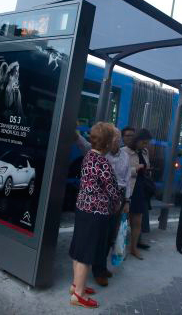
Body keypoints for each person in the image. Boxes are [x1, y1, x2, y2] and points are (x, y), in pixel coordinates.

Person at [69, 122, 121, 309]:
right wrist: (117, 205)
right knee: (86, 254)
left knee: (78, 248)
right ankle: (78, 295)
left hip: (82, 208)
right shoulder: (103, 163)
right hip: (96, 212)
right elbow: (113, 191)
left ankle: (76, 284)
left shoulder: (88, 156)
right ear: (107, 144)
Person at [91, 127, 132, 286]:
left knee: (110, 236)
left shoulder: (125, 156)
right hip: (104, 197)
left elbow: (128, 179)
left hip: (119, 197)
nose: (117, 140)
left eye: (118, 137)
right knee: (101, 234)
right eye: (114, 137)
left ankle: (102, 266)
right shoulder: (102, 155)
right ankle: (97, 269)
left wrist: (127, 201)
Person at [122, 128, 152, 259]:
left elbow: (147, 165)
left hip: (140, 189)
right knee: (122, 221)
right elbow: (121, 172)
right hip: (128, 189)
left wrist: (146, 169)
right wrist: (135, 169)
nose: (145, 145)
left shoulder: (145, 152)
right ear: (137, 140)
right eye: (144, 142)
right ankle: (117, 247)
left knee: (137, 221)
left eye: (147, 143)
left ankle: (133, 248)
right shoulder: (124, 152)